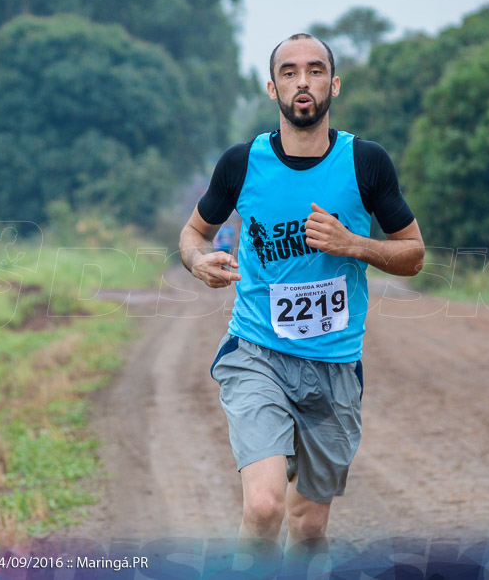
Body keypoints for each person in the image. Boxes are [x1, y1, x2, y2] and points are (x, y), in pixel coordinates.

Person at [178, 33, 424, 555]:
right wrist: (199, 262)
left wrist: (354, 244)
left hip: (335, 366)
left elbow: (414, 255)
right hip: (257, 355)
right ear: (273, 88)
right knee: (264, 507)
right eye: (289, 72)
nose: (302, 81)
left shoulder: (366, 162)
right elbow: (192, 233)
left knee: (308, 528)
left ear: (333, 84)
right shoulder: (243, 163)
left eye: (315, 70)